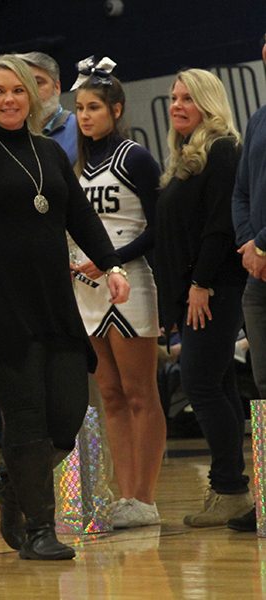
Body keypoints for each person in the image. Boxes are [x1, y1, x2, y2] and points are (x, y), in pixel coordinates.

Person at [0, 54, 129, 560]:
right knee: (25, 414)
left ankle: (12, 486)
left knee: (64, 417)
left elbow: (79, 217)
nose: (9, 99)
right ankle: (40, 529)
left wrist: (112, 266)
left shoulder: (50, 153)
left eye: (18, 90)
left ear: (35, 96)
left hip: (53, 305)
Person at [70, 58, 165, 528]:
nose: (85, 116)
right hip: (87, 289)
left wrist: (115, 257)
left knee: (139, 392)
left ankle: (144, 497)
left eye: (94, 107)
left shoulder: (135, 158)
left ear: (116, 108)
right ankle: (123, 494)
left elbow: (159, 227)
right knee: (108, 394)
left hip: (130, 285)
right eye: (80, 108)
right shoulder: (77, 166)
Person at [155, 68, 250, 527]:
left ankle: (229, 488)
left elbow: (219, 225)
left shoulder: (223, 150)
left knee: (201, 385)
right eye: (173, 98)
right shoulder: (185, 155)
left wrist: (201, 283)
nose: (177, 105)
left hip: (214, 288)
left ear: (209, 103)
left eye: (187, 98)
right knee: (219, 383)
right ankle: (233, 489)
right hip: (192, 290)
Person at [229, 34, 266, 533]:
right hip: (258, 274)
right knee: (264, 387)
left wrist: (263, 243)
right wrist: (248, 244)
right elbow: (241, 191)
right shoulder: (258, 118)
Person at [16, 52, 78, 164]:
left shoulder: (81, 129)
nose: (31, 91)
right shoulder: (10, 134)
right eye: (24, 85)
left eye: (38, 83)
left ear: (57, 87)